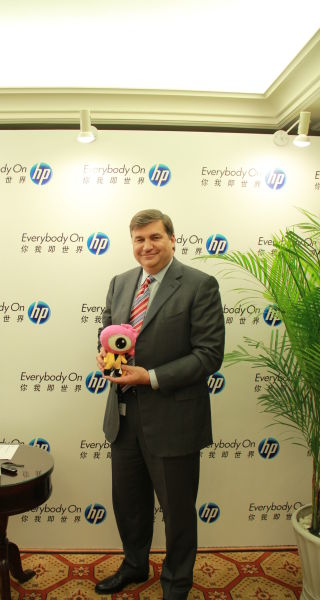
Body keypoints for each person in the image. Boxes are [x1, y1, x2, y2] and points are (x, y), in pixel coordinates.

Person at [95, 209, 225, 599]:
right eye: (139, 239)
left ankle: (176, 582)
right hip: (123, 418)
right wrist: (104, 356)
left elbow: (208, 355)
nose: (146, 246)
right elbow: (106, 332)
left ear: (172, 239)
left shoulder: (199, 285)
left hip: (174, 419)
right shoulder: (120, 283)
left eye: (155, 237)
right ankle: (134, 565)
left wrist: (149, 376)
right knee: (129, 504)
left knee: (177, 512)